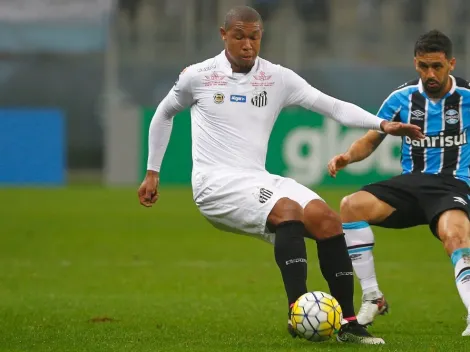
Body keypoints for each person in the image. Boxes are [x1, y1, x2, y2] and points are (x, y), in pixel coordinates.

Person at [138, 6, 423, 344]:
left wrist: (382, 125)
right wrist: (152, 171)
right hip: (214, 183)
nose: (247, 44)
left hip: (257, 177)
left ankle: (348, 323)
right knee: (287, 209)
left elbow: (331, 106)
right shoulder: (198, 76)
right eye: (239, 36)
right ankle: (297, 314)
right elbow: (164, 113)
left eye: (254, 37)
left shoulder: (277, 78)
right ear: (223, 35)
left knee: (327, 218)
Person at [327, 30, 470, 336]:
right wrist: (347, 157)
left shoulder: (468, 98)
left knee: (456, 239)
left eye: (437, 67)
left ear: (451, 64)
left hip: (452, 185)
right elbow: (370, 139)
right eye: (423, 67)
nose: (430, 74)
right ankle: (373, 297)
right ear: (415, 63)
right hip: (410, 185)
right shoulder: (401, 98)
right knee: (350, 206)